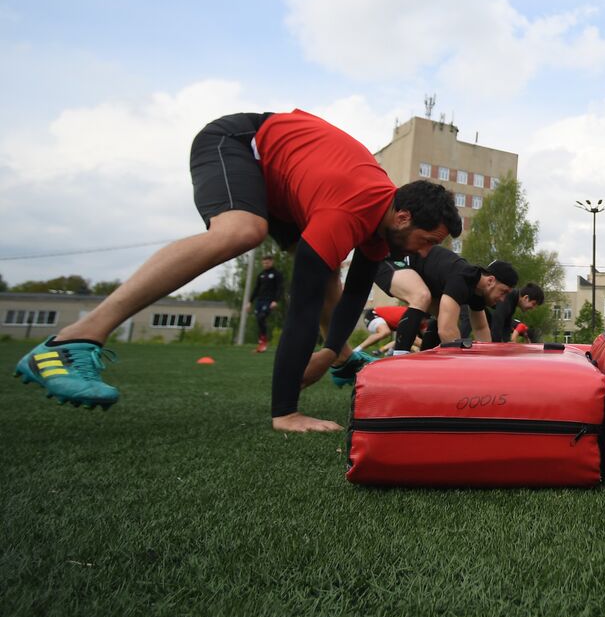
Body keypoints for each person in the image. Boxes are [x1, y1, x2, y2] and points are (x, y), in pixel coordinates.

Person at [14, 109, 461, 433]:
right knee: (242, 231)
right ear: (404, 217)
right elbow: (301, 306)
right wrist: (286, 411)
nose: (425, 254)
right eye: (429, 241)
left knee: (331, 277)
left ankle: (343, 358)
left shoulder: (380, 222)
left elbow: (351, 293)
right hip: (238, 144)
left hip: (287, 183)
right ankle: (74, 340)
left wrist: (326, 354)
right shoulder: (350, 207)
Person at [375, 249, 517, 352]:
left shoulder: (478, 291)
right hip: (389, 260)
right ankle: (400, 362)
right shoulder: (462, 278)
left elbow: (481, 329)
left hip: (415, 271)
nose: (503, 299)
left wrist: (489, 360)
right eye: (503, 292)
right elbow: (446, 331)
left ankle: (426, 358)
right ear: (490, 281)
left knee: (441, 314)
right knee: (422, 297)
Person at [248, 253, 284, 354]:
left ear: (272, 262)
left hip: (269, 301)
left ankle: (263, 343)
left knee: (261, 317)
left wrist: (275, 300)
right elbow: (256, 289)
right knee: (259, 320)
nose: (265, 264)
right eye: (264, 263)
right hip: (259, 301)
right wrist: (250, 302)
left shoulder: (277, 274)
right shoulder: (261, 275)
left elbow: (280, 288)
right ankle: (261, 343)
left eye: (267, 262)